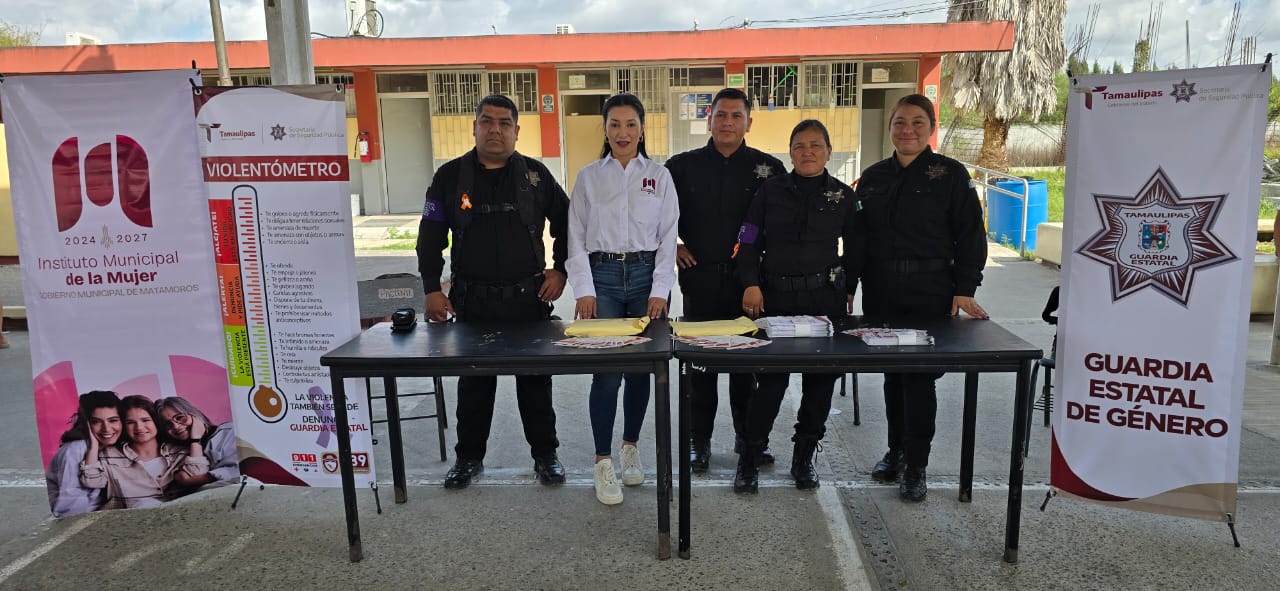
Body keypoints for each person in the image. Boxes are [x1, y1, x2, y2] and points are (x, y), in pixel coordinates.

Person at [416, 94, 570, 489]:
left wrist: (561, 268)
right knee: (474, 386)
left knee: (535, 384)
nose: (495, 130)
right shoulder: (448, 177)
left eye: (504, 123)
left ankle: (545, 455)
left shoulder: (536, 176)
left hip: (528, 300)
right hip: (473, 301)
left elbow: (570, 222)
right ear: (474, 127)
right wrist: (432, 289)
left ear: (517, 131)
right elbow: (429, 238)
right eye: (487, 122)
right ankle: (468, 459)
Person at [852, 94, 988, 502]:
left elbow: (970, 235)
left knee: (919, 379)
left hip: (931, 292)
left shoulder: (949, 174)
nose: (907, 130)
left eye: (916, 122)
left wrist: (965, 288)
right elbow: (859, 239)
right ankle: (895, 452)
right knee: (894, 376)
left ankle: (916, 465)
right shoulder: (874, 177)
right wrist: (847, 285)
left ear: (931, 128)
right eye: (899, 122)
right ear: (890, 127)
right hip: (882, 291)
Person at [732, 119, 860, 494]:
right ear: (790, 152)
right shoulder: (769, 191)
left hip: (825, 301)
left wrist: (850, 287)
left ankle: (804, 458)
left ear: (828, 152)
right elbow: (749, 239)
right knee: (770, 384)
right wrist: (751, 284)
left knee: (820, 384)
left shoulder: (843, 196)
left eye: (816, 145)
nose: (808, 152)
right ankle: (750, 458)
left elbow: (857, 246)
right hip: (777, 299)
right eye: (800, 145)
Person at [566, 93, 678, 505]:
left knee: (639, 371)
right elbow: (575, 235)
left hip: (646, 276)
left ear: (643, 129)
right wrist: (584, 290)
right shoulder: (589, 177)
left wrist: (660, 290)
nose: (623, 132)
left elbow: (669, 238)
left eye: (631, 124)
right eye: (614, 124)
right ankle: (602, 460)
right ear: (605, 129)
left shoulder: (660, 177)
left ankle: (630, 447)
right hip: (605, 278)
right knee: (607, 372)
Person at [665, 87, 784, 473]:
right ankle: (699, 442)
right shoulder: (681, 167)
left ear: (749, 122)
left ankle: (748, 440)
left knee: (746, 367)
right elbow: (655, 217)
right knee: (701, 367)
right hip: (699, 279)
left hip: (748, 282)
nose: (728, 122)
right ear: (709, 120)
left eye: (736, 116)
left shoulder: (769, 169)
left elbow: (777, 227)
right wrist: (673, 246)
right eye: (721, 115)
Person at [80, 395, 195, 509]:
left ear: (156, 422)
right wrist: (93, 447)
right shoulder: (109, 455)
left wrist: (196, 439)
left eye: (145, 420)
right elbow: (92, 482)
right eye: (130, 422)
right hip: (129, 522)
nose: (139, 427)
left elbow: (197, 475)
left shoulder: (180, 453)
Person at [45, 391, 120, 516]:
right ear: (86, 424)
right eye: (96, 422)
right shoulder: (75, 450)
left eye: (113, 420)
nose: (106, 429)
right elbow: (71, 508)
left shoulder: (113, 448)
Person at [155, 396, 239, 488]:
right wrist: (195, 440)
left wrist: (193, 480)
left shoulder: (229, 432)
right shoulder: (174, 452)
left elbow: (240, 470)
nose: (176, 426)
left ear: (194, 414)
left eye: (180, 418)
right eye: (168, 424)